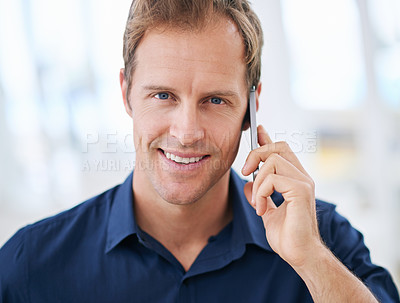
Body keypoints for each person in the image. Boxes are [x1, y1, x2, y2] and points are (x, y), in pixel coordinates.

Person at [1, 0, 399, 302]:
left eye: (215, 100)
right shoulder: (30, 265)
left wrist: (311, 261)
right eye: (162, 95)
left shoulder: (323, 239)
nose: (187, 132)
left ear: (251, 106)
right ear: (126, 93)